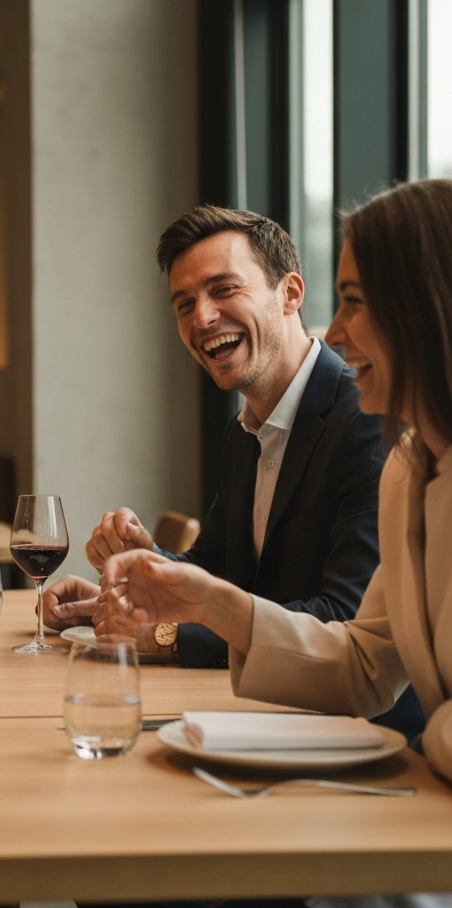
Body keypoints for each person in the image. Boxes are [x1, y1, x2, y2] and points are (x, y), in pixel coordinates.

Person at [95, 179, 452, 908]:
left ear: (426, 304)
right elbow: (360, 661)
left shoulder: (373, 439)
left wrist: (180, 620)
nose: (339, 332)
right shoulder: (413, 468)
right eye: (183, 303)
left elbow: (353, 643)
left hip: (401, 826)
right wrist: (199, 596)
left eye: (354, 302)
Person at [44, 208, 389, 676]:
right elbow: (221, 577)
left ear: (290, 293)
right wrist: (139, 579)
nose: (202, 317)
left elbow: (347, 618)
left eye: (224, 290)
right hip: (266, 708)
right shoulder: (244, 431)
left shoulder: (368, 422)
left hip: (351, 726)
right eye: (184, 304)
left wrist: (169, 635)